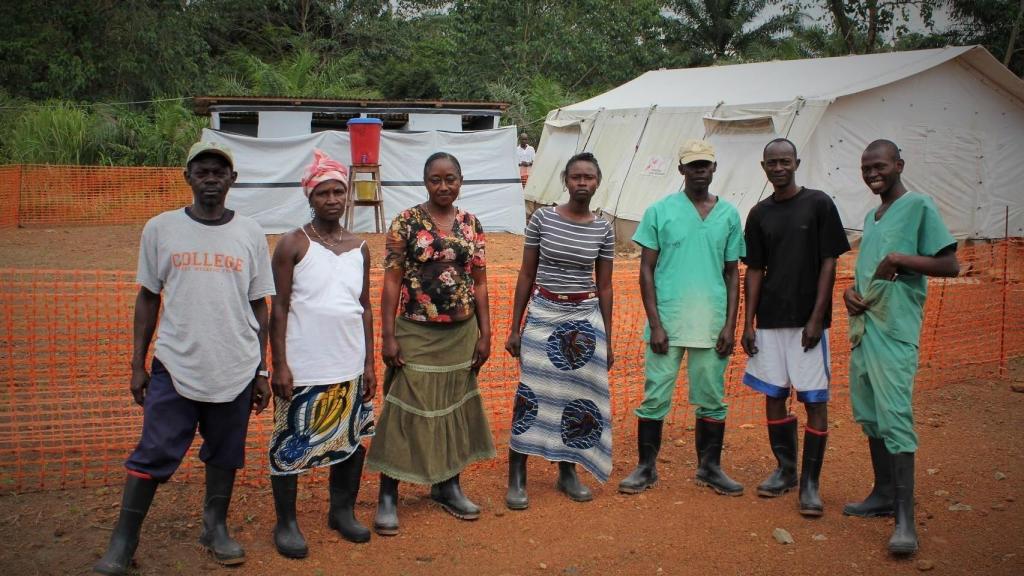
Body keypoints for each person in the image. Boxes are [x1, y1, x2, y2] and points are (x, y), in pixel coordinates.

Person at [94, 142, 274, 575]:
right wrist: (138, 364)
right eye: (203, 171)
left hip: (235, 366)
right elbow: (147, 296)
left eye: (219, 172)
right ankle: (124, 541)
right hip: (176, 365)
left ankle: (215, 527)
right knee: (153, 451)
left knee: (226, 453)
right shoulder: (161, 228)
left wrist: (262, 369)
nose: (211, 179)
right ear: (187, 177)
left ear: (232, 180)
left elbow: (259, 305)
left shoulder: (250, 233)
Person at [366, 152, 496, 535]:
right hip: (415, 331)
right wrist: (388, 336)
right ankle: (388, 492)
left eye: (450, 179)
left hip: (461, 332)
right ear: (425, 182)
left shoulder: (471, 224)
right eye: (436, 180)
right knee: (406, 408)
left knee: (454, 405)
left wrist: (485, 333)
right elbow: (391, 280)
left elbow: (481, 281)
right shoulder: (406, 222)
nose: (444, 186)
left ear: (460, 181)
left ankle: (447, 485)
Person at [843, 139, 958, 556]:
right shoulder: (872, 217)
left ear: (898, 165)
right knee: (871, 414)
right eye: (866, 167)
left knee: (894, 414)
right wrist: (849, 295)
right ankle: (882, 493)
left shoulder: (918, 206)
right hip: (865, 327)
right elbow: (868, 274)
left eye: (880, 166)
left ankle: (905, 520)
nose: (872, 173)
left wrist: (901, 259)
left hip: (895, 330)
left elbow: (950, 263)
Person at [619, 139, 745, 497]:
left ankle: (709, 467)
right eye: (693, 165)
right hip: (668, 323)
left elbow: (732, 272)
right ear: (682, 170)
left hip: (710, 322)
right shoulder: (660, 211)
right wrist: (656, 323)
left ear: (714, 168)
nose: (700, 170)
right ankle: (646, 468)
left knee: (712, 396)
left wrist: (729, 324)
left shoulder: (729, 215)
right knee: (655, 396)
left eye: (705, 164)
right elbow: (646, 270)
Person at [266, 150, 376, 557]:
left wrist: (368, 363)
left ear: (347, 196)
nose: (332, 199)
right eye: (323, 193)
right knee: (290, 441)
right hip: (303, 364)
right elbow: (278, 307)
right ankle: (287, 523)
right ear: (309, 198)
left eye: (338, 191)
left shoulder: (360, 247)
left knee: (349, 440)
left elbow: (363, 306)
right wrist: (279, 364)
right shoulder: (292, 243)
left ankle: (341, 511)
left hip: (347, 361)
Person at [740, 138, 851, 516]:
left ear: (796, 162)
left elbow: (829, 263)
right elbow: (754, 269)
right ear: (763, 166)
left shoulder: (818, 204)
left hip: (807, 323)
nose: (779, 168)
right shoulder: (758, 214)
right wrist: (748, 323)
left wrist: (817, 318)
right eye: (772, 162)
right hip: (770, 321)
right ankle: (785, 470)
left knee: (814, 400)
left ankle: (810, 484)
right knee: (774, 395)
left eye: (785, 161)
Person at [504, 152, 615, 510]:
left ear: (598, 182)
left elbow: (607, 287)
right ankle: (517, 474)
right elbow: (526, 274)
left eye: (589, 177)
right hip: (543, 313)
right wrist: (515, 327)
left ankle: (569, 471)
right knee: (530, 394)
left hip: (584, 321)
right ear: (565, 181)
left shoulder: (604, 228)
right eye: (576, 177)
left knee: (576, 397)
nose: (582, 183)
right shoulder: (542, 219)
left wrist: (608, 338)